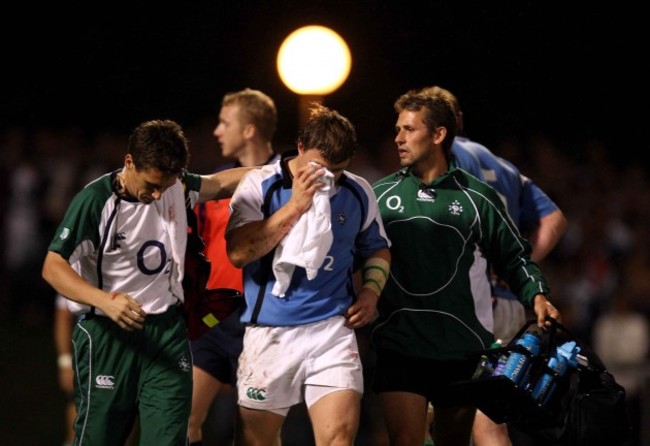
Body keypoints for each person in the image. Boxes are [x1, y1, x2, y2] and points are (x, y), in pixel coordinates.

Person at [41, 119, 250, 445]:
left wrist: (285, 169)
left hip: (166, 334)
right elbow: (53, 267)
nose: (156, 194)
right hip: (108, 334)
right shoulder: (95, 201)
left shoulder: (175, 187)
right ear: (129, 162)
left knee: (168, 439)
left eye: (164, 186)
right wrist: (104, 300)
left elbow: (221, 184)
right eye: (151, 184)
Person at [370, 90, 561, 446]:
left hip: (460, 347)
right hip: (400, 342)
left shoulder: (477, 197)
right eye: (398, 129)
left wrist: (536, 293)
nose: (398, 138)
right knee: (404, 439)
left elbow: (514, 255)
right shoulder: (379, 195)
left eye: (409, 129)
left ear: (439, 134)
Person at [225, 103, 391, 445]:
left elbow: (376, 248)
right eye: (321, 167)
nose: (329, 179)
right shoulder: (260, 185)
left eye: (339, 170)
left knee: (339, 439)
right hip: (270, 333)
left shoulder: (358, 191)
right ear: (300, 146)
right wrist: (297, 205)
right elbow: (240, 253)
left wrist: (371, 291)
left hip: (331, 330)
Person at [422, 85, 568, 446]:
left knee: (435, 411)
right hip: (507, 304)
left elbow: (454, 225)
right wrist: (518, 265)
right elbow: (554, 219)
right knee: (488, 422)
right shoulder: (501, 165)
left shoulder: (447, 156)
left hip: (472, 303)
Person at [188, 88, 281, 446]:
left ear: (249, 130)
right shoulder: (214, 183)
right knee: (182, 422)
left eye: (225, 122)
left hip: (262, 323)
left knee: (255, 437)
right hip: (214, 323)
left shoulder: (288, 182)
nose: (216, 131)